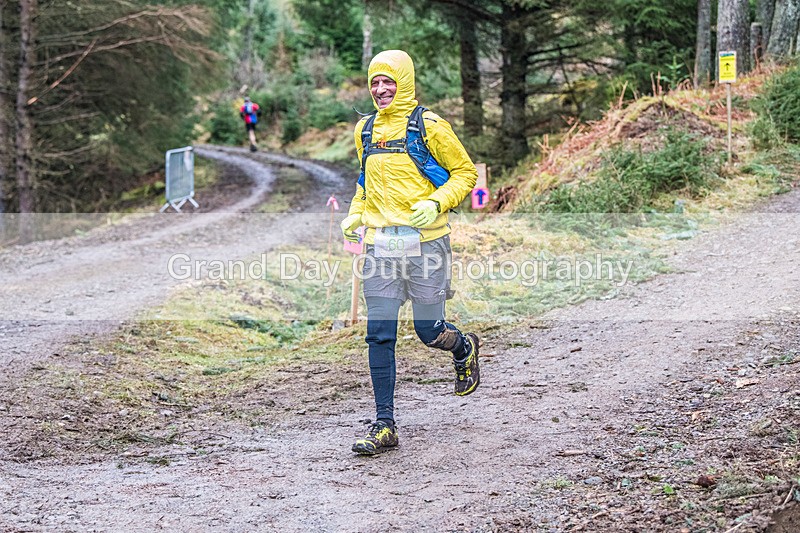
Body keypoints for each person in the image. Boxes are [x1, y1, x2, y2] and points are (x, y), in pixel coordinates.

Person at [340, 50, 480, 455]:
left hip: (427, 246)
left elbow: (465, 173)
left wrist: (436, 203)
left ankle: (463, 347)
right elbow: (364, 183)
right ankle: (384, 424)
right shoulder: (365, 130)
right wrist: (355, 215)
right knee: (379, 335)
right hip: (382, 247)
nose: (381, 90)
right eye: (374, 83)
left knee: (427, 330)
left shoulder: (430, 127)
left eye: (389, 82)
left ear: (405, 82)